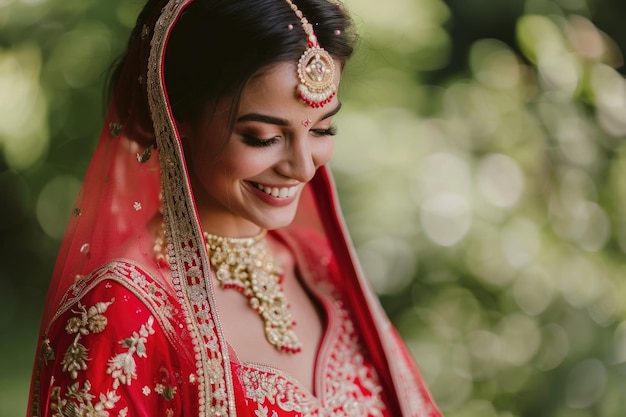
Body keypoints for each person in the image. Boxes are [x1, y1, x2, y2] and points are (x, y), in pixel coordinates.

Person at [27, 0, 442, 415]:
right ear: (177, 117)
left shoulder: (317, 267)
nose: (302, 168)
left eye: (322, 129)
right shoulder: (123, 311)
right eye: (262, 137)